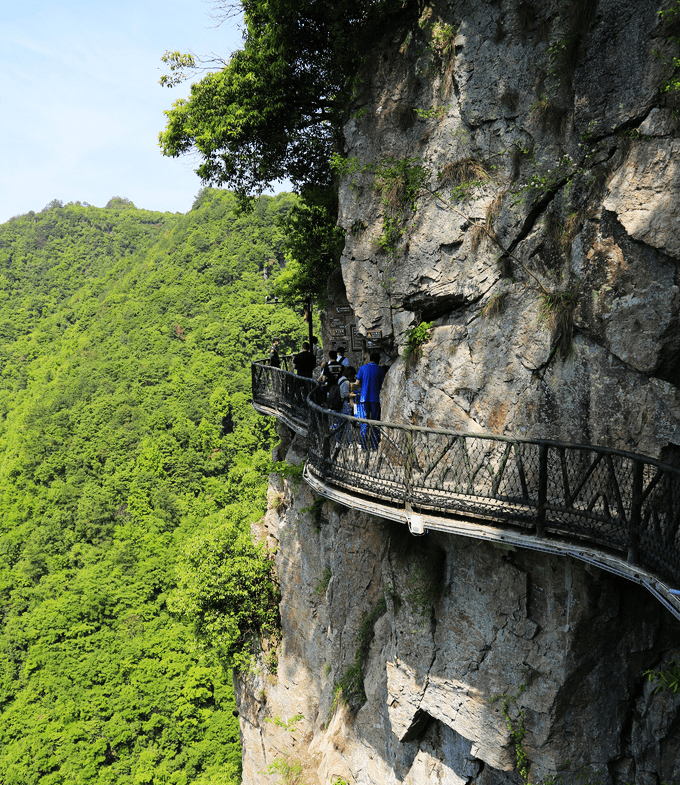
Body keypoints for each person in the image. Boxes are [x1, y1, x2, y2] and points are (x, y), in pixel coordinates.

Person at [352, 352, 385, 449]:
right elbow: (383, 384)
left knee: (364, 422)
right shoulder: (380, 370)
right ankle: (374, 445)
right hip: (375, 399)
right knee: (375, 422)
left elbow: (357, 383)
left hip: (363, 398)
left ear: (370, 359)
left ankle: (364, 446)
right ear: (378, 360)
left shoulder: (362, 368)